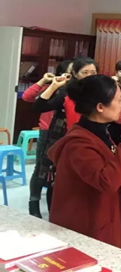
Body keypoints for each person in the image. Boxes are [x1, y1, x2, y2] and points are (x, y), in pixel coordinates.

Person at [48, 75, 121, 251]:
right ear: (100, 107)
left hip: (104, 215)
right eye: (118, 100)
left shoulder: (100, 133)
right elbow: (106, 181)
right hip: (88, 227)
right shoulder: (78, 143)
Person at [32, 57, 99, 211]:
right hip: (63, 139)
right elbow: (38, 107)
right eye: (85, 72)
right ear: (75, 73)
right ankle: (49, 211)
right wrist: (53, 86)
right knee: (55, 178)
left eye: (93, 72)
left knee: (82, 180)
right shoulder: (66, 91)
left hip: (88, 142)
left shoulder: (100, 92)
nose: (90, 76)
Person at [22, 60, 72, 218]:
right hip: (47, 133)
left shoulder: (78, 91)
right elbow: (27, 97)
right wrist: (44, 81)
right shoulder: (53, 88)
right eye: (69, 73)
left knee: (59, 173)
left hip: (69, 134)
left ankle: (56, 206)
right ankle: (34, 203)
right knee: (41, 170)